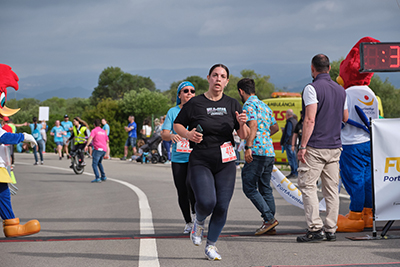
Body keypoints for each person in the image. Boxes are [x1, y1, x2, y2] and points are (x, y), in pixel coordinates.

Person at [174, 64, 249, 261]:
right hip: (201, 159)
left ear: (227, 81)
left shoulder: (233, 104)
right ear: (208, 78)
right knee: (207, 202)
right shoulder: (195, 103)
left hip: (226, 161)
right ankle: (198, 221)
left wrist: (242, 124)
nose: (218, 79)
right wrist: (188, 134)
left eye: (222, 76)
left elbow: (244, 134)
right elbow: (177, 124)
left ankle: (211, 246)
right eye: (215, 75)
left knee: (222, 206)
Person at [296, 54, 348, 243]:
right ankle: (331, 229)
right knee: (331, 190)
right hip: (335, 146)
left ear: (312, 68)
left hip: (316, 146)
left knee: (308, 186)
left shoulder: (312, 88)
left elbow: (310, 119)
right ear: (330, 67)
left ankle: (315, 228)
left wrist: (302, 146)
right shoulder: (341, 90)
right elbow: (345, 117)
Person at [237, 78, 280, 235]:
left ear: (241, 91)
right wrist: (265, 136)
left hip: (256, 151)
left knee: (249, 186)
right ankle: (270, 225)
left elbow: (253, 125)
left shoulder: (248, 105)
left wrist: (249, 146)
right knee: (265, 188)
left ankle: (269, 219)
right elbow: (275, 127)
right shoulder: (264, 105)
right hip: (268, 151)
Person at [161, 81, 197, 234]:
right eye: (186, 91)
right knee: (182, 191)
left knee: (193, 188)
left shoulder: (199, 110)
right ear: (179, 95)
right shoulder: (173, 112)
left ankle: (197, 219)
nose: (189, 93)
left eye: (192, 91)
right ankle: (188, 222)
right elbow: (164, 134)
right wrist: (172, 135)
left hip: (196, 157)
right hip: (178, 158)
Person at [85, 119, 109, 183]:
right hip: (104, 149)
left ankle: (97, 177)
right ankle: (103, 176)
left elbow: (90, 138)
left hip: (97, 149)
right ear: (100, 125)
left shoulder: (94, 131)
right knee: (99, 162)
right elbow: (107, 140)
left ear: (94, 125)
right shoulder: (103, 131)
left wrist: (87, 145)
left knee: (94, 164)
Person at [280, 109, 298, 178]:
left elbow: (288, 133)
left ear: (287, 114)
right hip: (293, 142)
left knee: (291, 158)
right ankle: (295, 172)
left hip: (289, 143)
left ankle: (294, 172)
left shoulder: (290, 122)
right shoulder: (294, 121)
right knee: (294, 158)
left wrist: (285, 142)